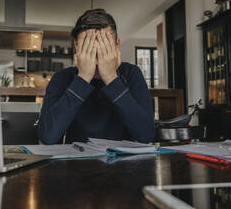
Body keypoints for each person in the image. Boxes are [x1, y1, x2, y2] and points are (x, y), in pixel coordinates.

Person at [38, 8, 155, 144]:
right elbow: (47, 137)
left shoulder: (131, 73)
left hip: (123, 162)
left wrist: (111, 78)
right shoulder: (62, 78)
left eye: (105, 46)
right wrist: (82, 79)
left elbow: (146, 135)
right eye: (88, 47)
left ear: (117, 45)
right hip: (75, 162)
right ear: (76, 46)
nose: (97, 55)